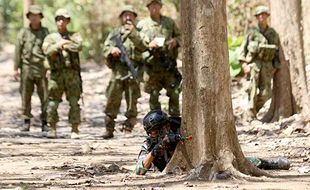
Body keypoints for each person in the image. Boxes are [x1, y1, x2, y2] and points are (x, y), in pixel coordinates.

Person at [135, 110, 290, 175]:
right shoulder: (149, 144)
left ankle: (270, 164)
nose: (156, 134)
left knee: (237, 162)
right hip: (173, 172)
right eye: (153, 132)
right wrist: (158, 148)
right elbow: (139, 170)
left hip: (200, 165)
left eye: (161, 129)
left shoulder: (180, 129)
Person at [101, 5, 150, 139]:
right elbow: (106, 47)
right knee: (112, 100)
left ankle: (128, 128)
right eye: (125, 15)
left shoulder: (140, 32)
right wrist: (112, 51)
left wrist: (133, 33)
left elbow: (144, 46)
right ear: (121, 18)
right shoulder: (115, 33)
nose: (128, 17)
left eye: (130, 15)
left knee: (132, 102)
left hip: (133, 72)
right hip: (118, 72)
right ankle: (109, 129)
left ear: (134, 17)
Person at [42, 8, 83, 139]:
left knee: (74, 102)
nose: (61, 22)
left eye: (63, 19)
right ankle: (52, 128)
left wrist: (65, 44)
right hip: (56, 74)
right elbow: (47, 51)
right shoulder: (50, 37)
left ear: (68, 21)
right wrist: (59, 44)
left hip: (72, 74)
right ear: (56, 21)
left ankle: (74, 129)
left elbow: (78, 46)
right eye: (59, 19)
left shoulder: (74, 35)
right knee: (53, 102)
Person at [137, 0, 182, 117]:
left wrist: (175, 41)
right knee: (154, 95)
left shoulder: (169, 22)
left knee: (174, 93)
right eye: (152, 5)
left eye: (157, 4)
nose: (154, 7)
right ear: (148, 7)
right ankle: (157, 127)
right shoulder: (142, 25)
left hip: (168, 65)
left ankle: (175, 125)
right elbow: (136, 43)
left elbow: (179, 36)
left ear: (161, 6)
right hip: (152, 67)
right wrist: (148, 44)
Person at [238, 5, 280, 121]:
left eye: (264, 14)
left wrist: (275, 66)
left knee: (266, 93)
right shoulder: (252, 32)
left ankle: (254, 111)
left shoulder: (272, 33)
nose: (262, 17)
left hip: (267, 66)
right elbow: (243, 49)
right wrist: (244, 65)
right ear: (257, 17)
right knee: (252, 90)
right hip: (254, 65)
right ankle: (250, 117)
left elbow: (277, 51)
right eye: (259, 15)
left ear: (267, 16)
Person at [14, 5, 49, 132]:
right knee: (25, 95)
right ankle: (26, 121)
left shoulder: (45, 32)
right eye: (32, 16)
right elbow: (18, 50)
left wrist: (50, 67)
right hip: (26, 68)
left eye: (37, 15)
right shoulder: (23, 32)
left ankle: (45, 121)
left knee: (45, 96)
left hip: (41, 68)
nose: (34, 18)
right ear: (28, 17)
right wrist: (15, 68)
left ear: (40, 17)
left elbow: (49, 51)